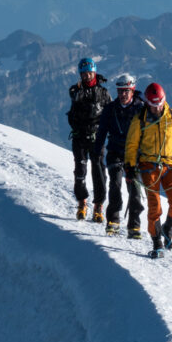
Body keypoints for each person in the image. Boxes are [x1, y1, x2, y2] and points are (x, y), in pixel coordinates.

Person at [124, 82, 172, 257]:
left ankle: (168, 227)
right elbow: (132, 145)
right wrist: (130, 167)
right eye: (153, 104)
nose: (157, 108)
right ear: (147, 102)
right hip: (148, 166)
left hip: (171, 165)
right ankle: (157, 242)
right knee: (154, 206)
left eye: (160, 103)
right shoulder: (139, 119)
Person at [94, 73, 145, 238]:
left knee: (135, 190)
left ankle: (134, 226)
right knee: (115, 185)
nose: (123, 94)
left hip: (134, 156)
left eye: (126, 91)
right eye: (120, 91)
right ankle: (113, 220)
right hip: (115, 152)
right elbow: (101, 131)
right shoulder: (110, 109)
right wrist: (97, 149)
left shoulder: (141, 109)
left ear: (132, 90)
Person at [67, 57, 110, 221]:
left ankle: (98, 206)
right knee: (80, 171)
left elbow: (109, 114)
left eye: (90, 73)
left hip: (97, 138)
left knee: (99, 172)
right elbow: (74, 96)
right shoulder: (76, 91)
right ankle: (82, 203)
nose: (87, 77)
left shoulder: (104, 93)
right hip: (80, 137)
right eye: (84, 74)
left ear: (95, 72)